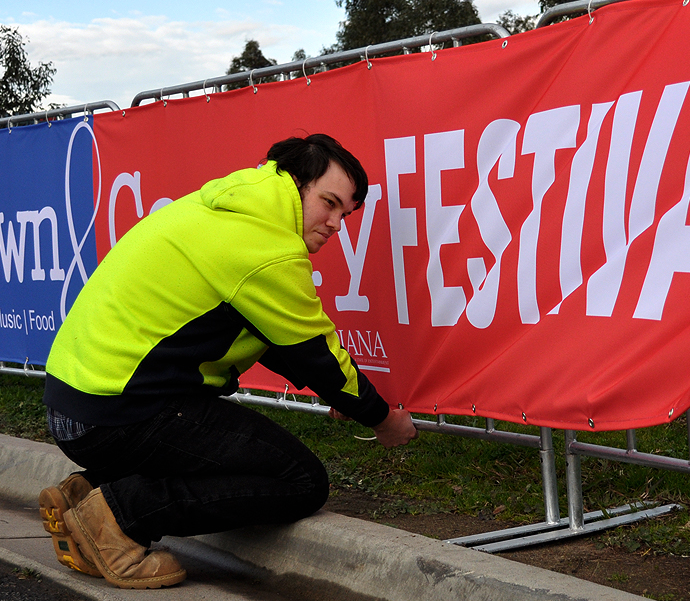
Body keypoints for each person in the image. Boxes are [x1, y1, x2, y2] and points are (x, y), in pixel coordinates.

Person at [38, 133, 417, 590]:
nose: (337, 223)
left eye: (346, 213)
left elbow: (279, 342)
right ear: (296, 184)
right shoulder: (266, 245)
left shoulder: (226, 204)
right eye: (329, 203)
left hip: (74, 406)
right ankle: (118, 519)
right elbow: (315, 354)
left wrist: (343, 395)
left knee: (222, 444)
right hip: (116, 413)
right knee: (301, 480)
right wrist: (381, 419)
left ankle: (85, 494)